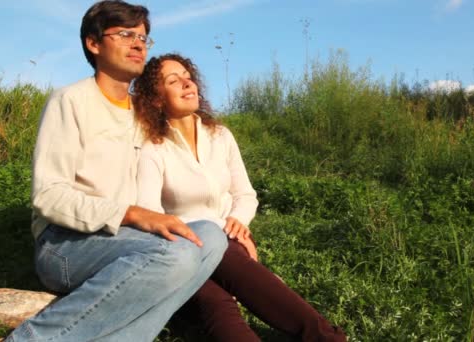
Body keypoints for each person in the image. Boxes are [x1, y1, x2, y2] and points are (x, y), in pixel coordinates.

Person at [6, 2, 227, 341]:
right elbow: (48, 196)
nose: (138, 44)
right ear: (93, 44)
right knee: (178, 253)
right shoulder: (71, 101)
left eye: (143, 37)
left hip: (128, 241)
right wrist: (131, 213)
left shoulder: (144, 114)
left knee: (210, 236)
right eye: (125, 34)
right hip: (65, 244)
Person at [133, 53, 347, 342]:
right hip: (184, 249)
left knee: (226, 258)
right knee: (215, 301)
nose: (187, 83)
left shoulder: (220, 136)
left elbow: (245, 194)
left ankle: (326, 338)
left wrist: (238, 222)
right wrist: (197, 242)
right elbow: (150, 214)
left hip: (230, 241)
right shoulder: (153, 147)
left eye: (188, 76)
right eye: (174, 80)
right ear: (156, 99)